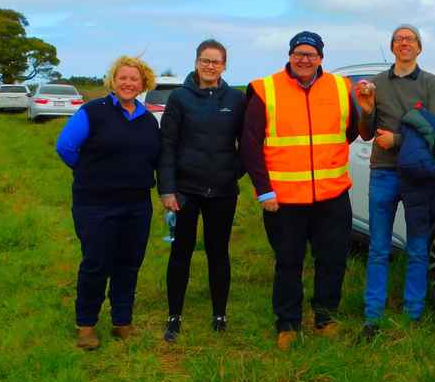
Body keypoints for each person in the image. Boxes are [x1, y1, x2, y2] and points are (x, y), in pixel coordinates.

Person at [241, 31, 360, 350]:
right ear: (290, 55)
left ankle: (325, 318)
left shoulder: (341, 87)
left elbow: (348, 131)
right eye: (299, 53)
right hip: (284, 199)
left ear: (321, 58)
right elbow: (250, 145)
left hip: (332, 195)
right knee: (288, 262)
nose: (304, 59)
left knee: (332, 259)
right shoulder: (265, 89)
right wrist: (264, 191)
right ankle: (288, 324)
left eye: (311, 54)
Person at [55, 56, 161, 350]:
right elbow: (65, 147)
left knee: (129, 263)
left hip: (137, 205)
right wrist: (90, 172)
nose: (128, 83)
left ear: (143, 84)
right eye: (122, 77)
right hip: (95, 204)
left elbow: (155, 158)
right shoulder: (93, 111)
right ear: (113, 81)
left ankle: (122, 321)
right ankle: (86, 325)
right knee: (96, 263)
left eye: (134, 79)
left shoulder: (148, 120)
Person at [355, 24, 435, 337]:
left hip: (419, 175)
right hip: (383, 171)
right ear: (392, 47)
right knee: (378, 247)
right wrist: (366, 110)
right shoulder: (378, 83)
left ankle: (413, 314)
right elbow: (366, 133)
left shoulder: (430, 83)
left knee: (418, 246)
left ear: (419, 47)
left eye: (410, 39)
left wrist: (396, 140)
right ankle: (372, 316)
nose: (404, 42)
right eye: (398, 39)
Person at [157, 39, 246, 342]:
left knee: (218, 252)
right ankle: (174, 316)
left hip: (222, 191)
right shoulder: (179, 98)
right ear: (196, 62)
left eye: (216, 61)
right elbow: (167, 146)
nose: (210, 66)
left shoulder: (235, 99)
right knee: (180, 252)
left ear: (224, 65)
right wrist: (167, 189)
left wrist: (232, 172)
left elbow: (247, 144)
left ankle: (220, 314)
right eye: (205, 60)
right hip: (185, 191)